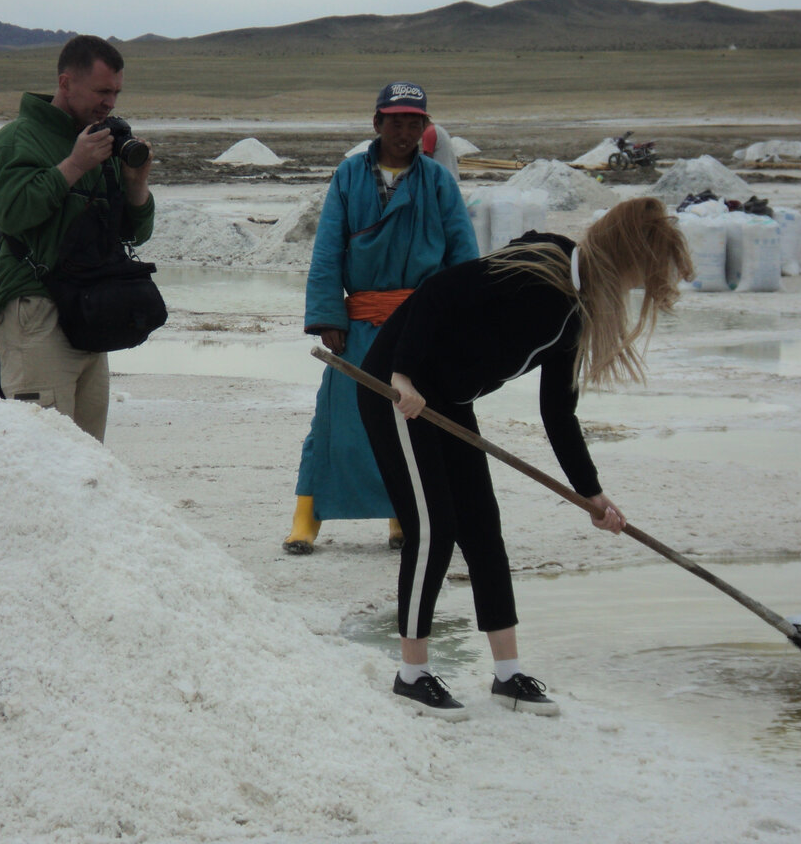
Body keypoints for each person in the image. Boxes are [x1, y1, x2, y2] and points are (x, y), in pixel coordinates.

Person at [357, 197, 691, 720]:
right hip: (398, 392)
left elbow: (558, 411)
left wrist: (591, 493)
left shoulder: (575, 310)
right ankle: (411, 674)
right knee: (433, 527)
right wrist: (401, 374)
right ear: (624, 257)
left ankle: (509, 676)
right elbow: (436, 292)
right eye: (637, 278)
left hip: (448, 401)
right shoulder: (537, 271)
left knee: (483, 529)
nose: (633, 290)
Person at [284, 81, 479, 554]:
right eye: (396, 121)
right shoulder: (349, 176)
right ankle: (305, 518)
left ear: (425, 128)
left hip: (419, 327)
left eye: (415, 123)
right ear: (377, 123)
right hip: (361, 325)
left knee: (412, 425)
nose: (405, 131)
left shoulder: (439, 183)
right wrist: (328, 315)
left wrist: (456, 325)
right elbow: (328, 249)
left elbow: (463, 259)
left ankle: (401, 516)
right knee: (336, 423)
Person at [0, 34, 154, 442]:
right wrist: (74, 165)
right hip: (35, 310)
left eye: (116, 92)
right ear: (65, 83)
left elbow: (135, 234)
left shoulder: (100, 142)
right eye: (101, 91)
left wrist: (135, 187)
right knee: (44, 451)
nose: (110, 102)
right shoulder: (16, 141)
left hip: (90, 311)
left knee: (87, 456)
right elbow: (12, 212)